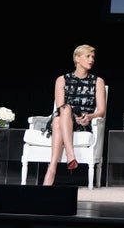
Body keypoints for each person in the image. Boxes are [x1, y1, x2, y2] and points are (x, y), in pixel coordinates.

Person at [42, 44, 107, 186]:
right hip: (65, 118)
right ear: (77, 58)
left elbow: (101, 111)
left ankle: (52, 168)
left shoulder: (98, 81)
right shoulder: (61, 80)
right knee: (64, 111)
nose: (91, 60)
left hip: (83, 121)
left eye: (93, 57)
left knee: (58, 121)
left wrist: (88, 117)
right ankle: (70, 156)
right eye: (88, 56)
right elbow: (60, 107)